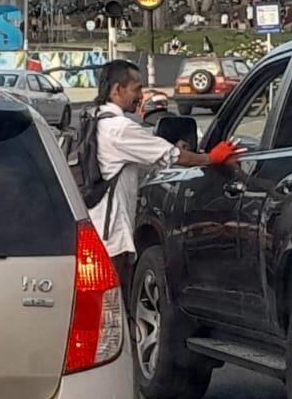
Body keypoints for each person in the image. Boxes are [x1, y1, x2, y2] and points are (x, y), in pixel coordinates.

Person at [79, 59, 241, 302]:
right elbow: (173, 157)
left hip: (94, 232)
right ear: (117, 90)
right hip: (112, 237)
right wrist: (212, 157)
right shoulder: (120, 128)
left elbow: (150, 159)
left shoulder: (94, 122)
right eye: (136, 89)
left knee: (101, 310)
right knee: (113, 309)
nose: (140, 96)